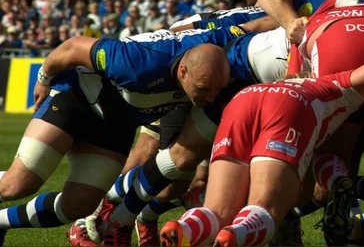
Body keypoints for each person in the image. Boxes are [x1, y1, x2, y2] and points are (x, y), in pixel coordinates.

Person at [158, 29, 364, 247]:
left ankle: (181, 228)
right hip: (290, 105)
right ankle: (233, 237)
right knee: (265, 207)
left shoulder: (288, 75)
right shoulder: (336, 83)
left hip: (243, 99)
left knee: (218, 210)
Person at [0, 28, 236, 245]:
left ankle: (1, 221)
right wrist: (43, 77)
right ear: (183, 71)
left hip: (115, 128)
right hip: (75, 99)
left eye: (217, 89)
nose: (212, 97)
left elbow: (251, 23)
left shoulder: (222, 53)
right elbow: (73, 47)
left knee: (77, 207)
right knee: (17, 185)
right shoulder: (137, 61)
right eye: (205, 88)